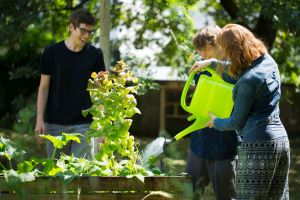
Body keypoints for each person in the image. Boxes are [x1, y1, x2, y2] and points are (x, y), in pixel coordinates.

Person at [192, 24, 290, 199]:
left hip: (258, 146)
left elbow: (235, 122)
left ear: (234, 50)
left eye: (225, 51)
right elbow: (237, 70)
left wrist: (215, 122)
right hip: (281, 142)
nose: (225, 56)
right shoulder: (268, 62)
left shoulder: (248, 81)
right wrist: (211, 62)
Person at [34, 9, 105, 159]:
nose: (86, 36)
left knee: (83, 176)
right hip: (55, 124)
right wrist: (39, 119)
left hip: (85, 124)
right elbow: (44, 87)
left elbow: (100, 90)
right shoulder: (51, 53)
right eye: (83, 31)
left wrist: (102, 124)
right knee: (56, 176)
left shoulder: (96, 55)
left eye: (90, 32)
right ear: (71, 27)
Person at [186, 25, 238, 200]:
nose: (203, 55)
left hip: (224, 144)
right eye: (200, 51)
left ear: (221, 46)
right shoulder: (202, 69)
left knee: (225, 195)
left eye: (207, 50)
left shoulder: (236, 65)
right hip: (199, 141)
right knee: (190, 194)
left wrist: (211, 63)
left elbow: (235, 73)